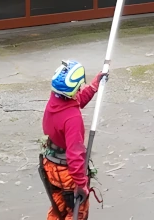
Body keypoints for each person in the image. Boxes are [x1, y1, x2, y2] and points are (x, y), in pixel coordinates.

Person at [39, 60, 106, 220]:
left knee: (58, 209)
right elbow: (75, 154)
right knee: (76, 213)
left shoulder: (55, 101)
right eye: (79, 87)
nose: (80, 89)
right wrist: (81, 183)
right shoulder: (73, 119)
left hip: (49, 165)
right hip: (66, 172)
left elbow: (76, 101)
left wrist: (94, 85)